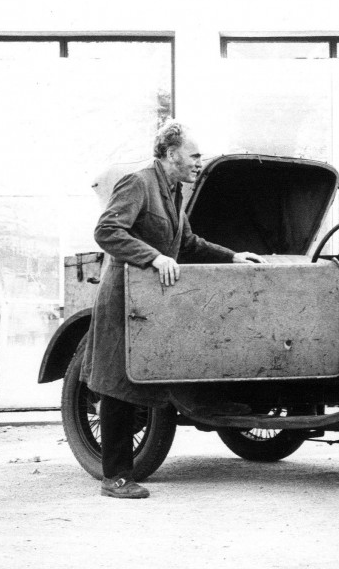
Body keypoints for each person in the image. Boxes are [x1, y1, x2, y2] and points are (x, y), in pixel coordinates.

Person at [81, 121, 264, 499]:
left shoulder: (173, 191)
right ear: (170, 153)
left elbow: (189, 242)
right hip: (124, 298)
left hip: (149, 301)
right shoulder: (138, 182)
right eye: (194, 156)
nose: (200, 162)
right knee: (118, 384)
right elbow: (108, 231)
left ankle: (121, 472)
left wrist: (233, 256)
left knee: (137, 379)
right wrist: (153, 257)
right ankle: (114, 478)